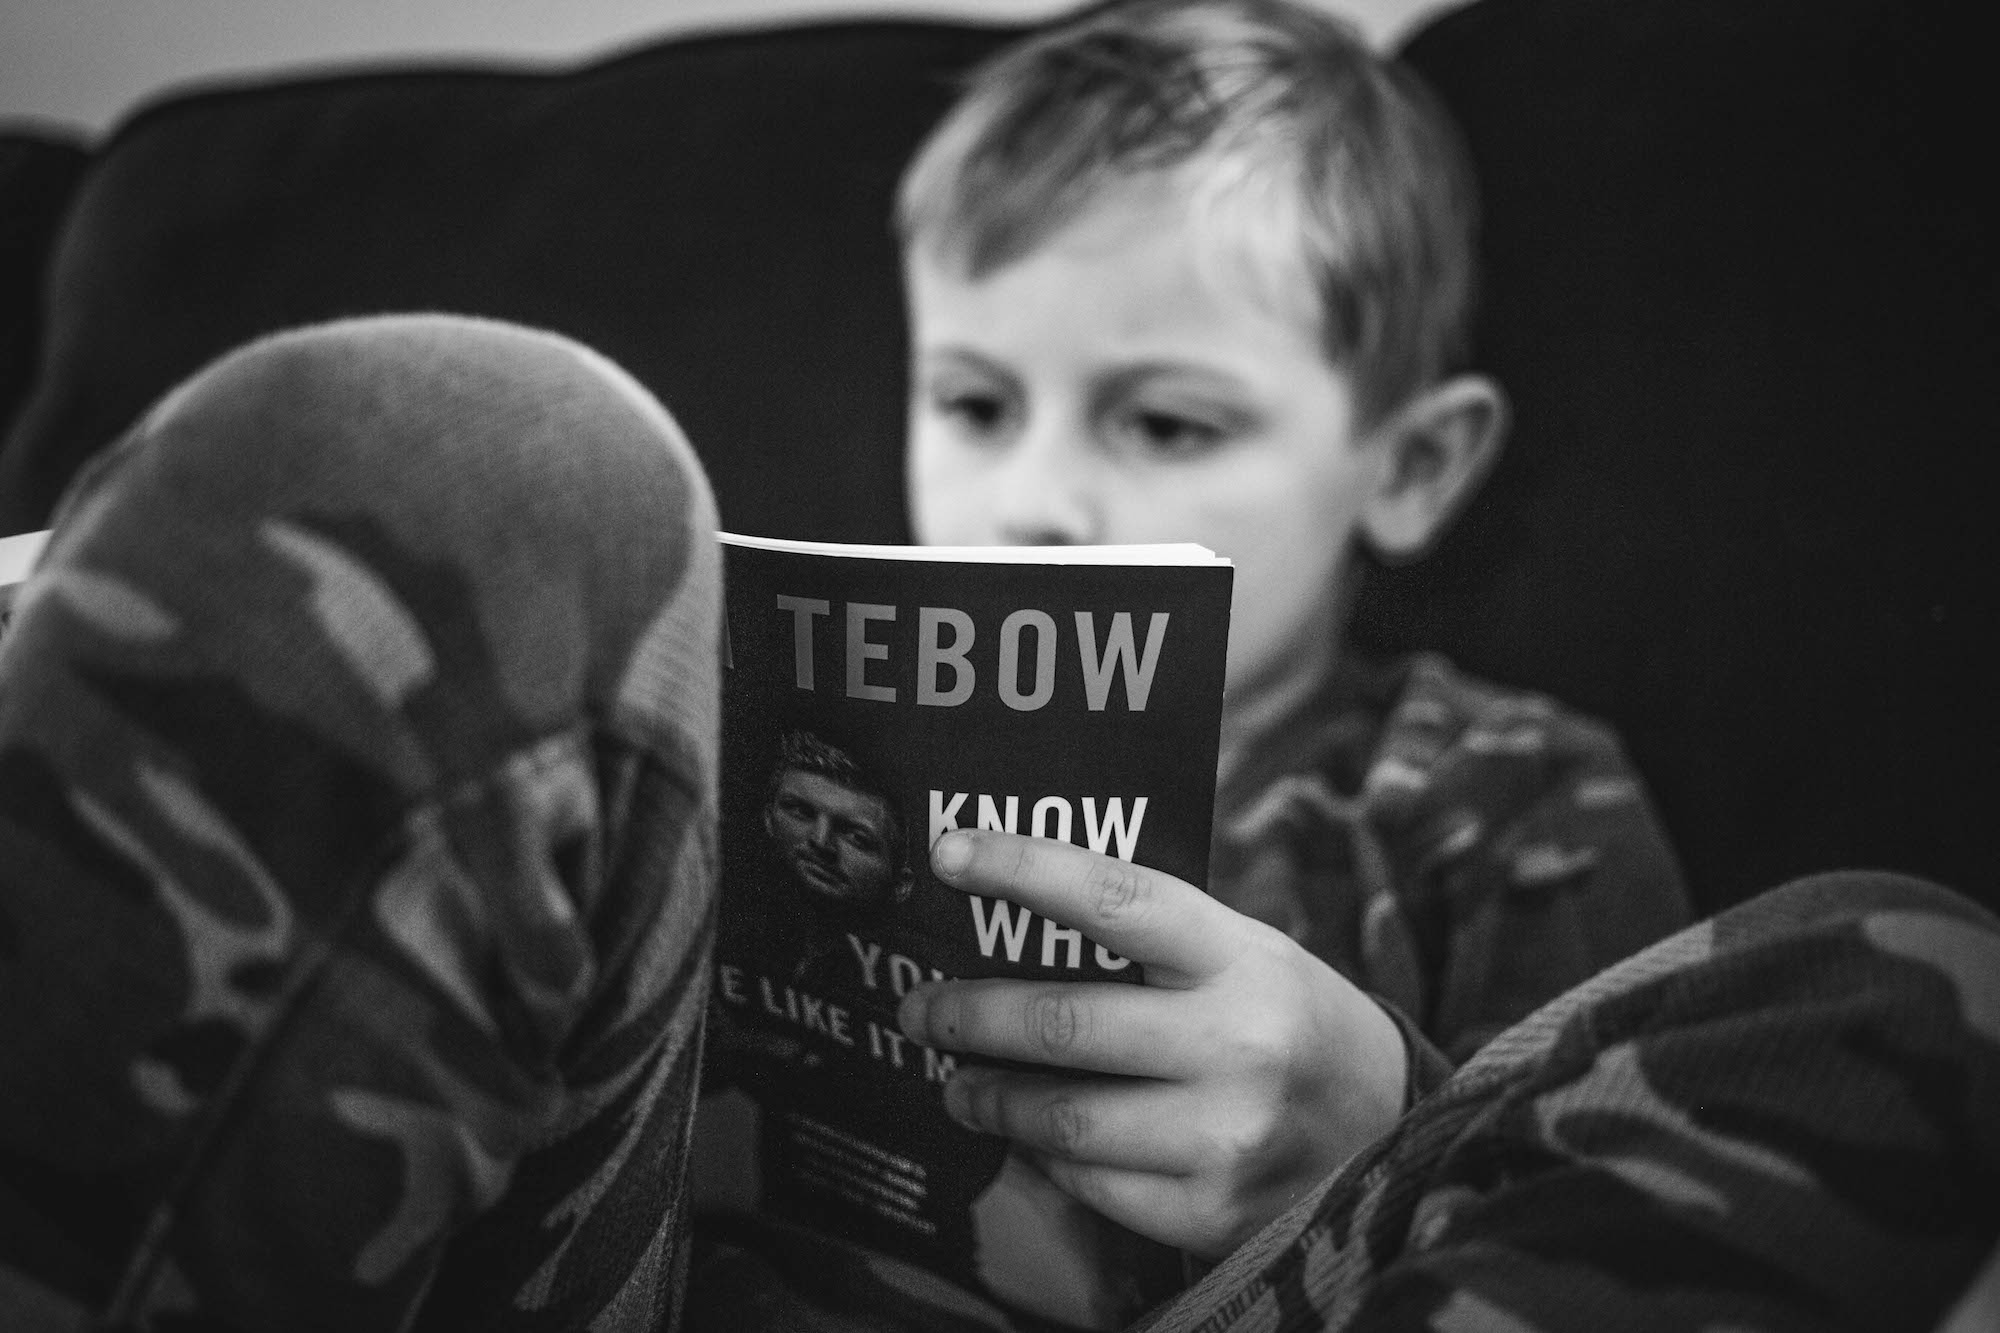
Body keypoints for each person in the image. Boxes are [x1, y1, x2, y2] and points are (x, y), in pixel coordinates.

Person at [2, 319, 1995, 1333]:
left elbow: (1574, 1152)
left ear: (1410, 466)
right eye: (971, 401)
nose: (1032, 496)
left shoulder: (1488, 786)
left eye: (1163, 421)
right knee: (450, 476)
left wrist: (1385, 1111)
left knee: (1903, 981)